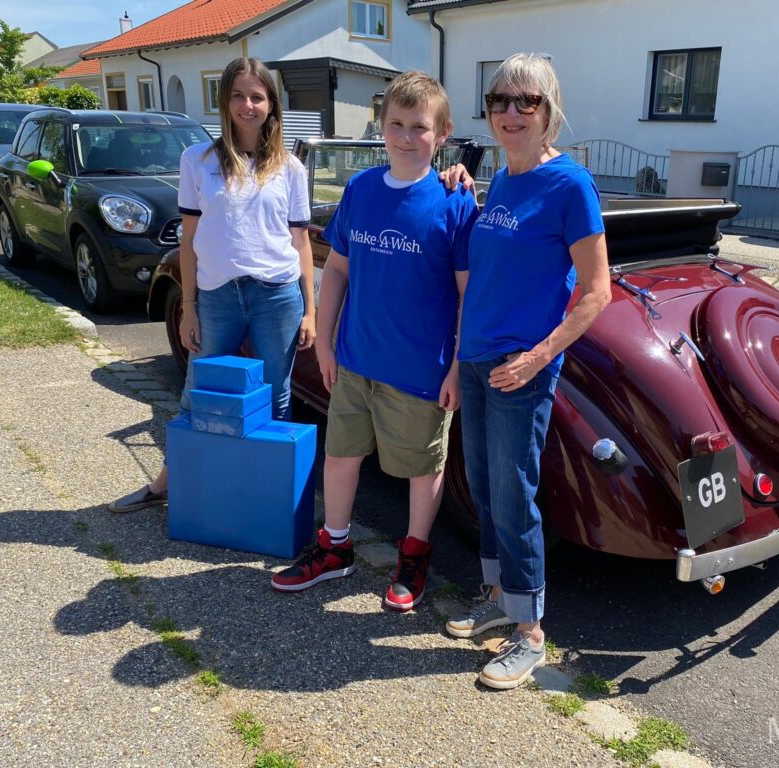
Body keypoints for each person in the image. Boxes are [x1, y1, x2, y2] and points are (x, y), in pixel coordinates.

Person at [270, 71, 478, 612]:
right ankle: (334, 547)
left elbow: (468, 297)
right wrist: (325, 342)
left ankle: (414, 555)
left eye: (420, 127)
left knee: (422, 469)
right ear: (381, 127)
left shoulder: (454, 201)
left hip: (420, 371)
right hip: (355, 360)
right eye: (396, 124)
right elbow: (338, 270)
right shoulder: (361, 190)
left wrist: (458, 367)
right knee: (340, 456)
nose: (407, 137)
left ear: (443, 133)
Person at [443, 53, 611, 689]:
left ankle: (531, 633)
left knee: (515, 497)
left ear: (549, 110)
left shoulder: (570, 185)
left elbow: (597, 292)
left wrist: (539, 356)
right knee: (485, 487)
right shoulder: (503, 181)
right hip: (478, 359)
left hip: (523, 367)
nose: (511, 112)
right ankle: (497, 596)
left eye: (527, 101)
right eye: (500, 101)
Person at [109, 57, 316, 513]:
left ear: (271, 103)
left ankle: (265, 499)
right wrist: (189, 305)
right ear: (224, 101)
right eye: (238, 95)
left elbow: (300, 241)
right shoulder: (197, 160)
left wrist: (310, 311)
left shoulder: (290, 168)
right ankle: (166, 485)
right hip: (218, 296)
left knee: (275, 398)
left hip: (277, 296)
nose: (248, 105)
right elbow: (189, 240)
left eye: (257, 96)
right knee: (199, 392)